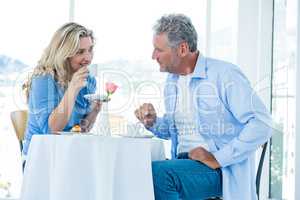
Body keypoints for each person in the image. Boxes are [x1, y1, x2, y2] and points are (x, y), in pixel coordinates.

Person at [135, 14, 272, 200]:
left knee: (159, 174)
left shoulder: (224, 75)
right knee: (137, 171)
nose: (153, 56)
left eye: (158, 50)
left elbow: (261, 124)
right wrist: (153, 122)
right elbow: (175, 129)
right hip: (183, 163)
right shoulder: (172, 81)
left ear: (182, 48)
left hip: (221, 171)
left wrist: (218, 158)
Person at [22, 22, 101, 157]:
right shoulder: (43, 78)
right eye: (80, 52)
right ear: (64, 54)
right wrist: (73, 89)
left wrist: (95, 111)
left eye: (90, 49)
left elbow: (81, 129)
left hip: (69, 153)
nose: (88, 58)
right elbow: (51, 130)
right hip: (41, 157)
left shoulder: (88, 81)